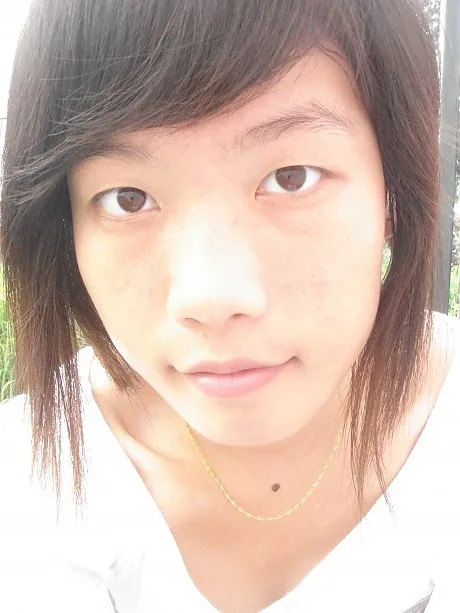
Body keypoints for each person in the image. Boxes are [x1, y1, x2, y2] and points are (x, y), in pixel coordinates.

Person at [0, 0, 458, 611]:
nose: (210, 297)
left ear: (392, 193)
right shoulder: (25, 487)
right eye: (128, 198)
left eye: (292, 177)